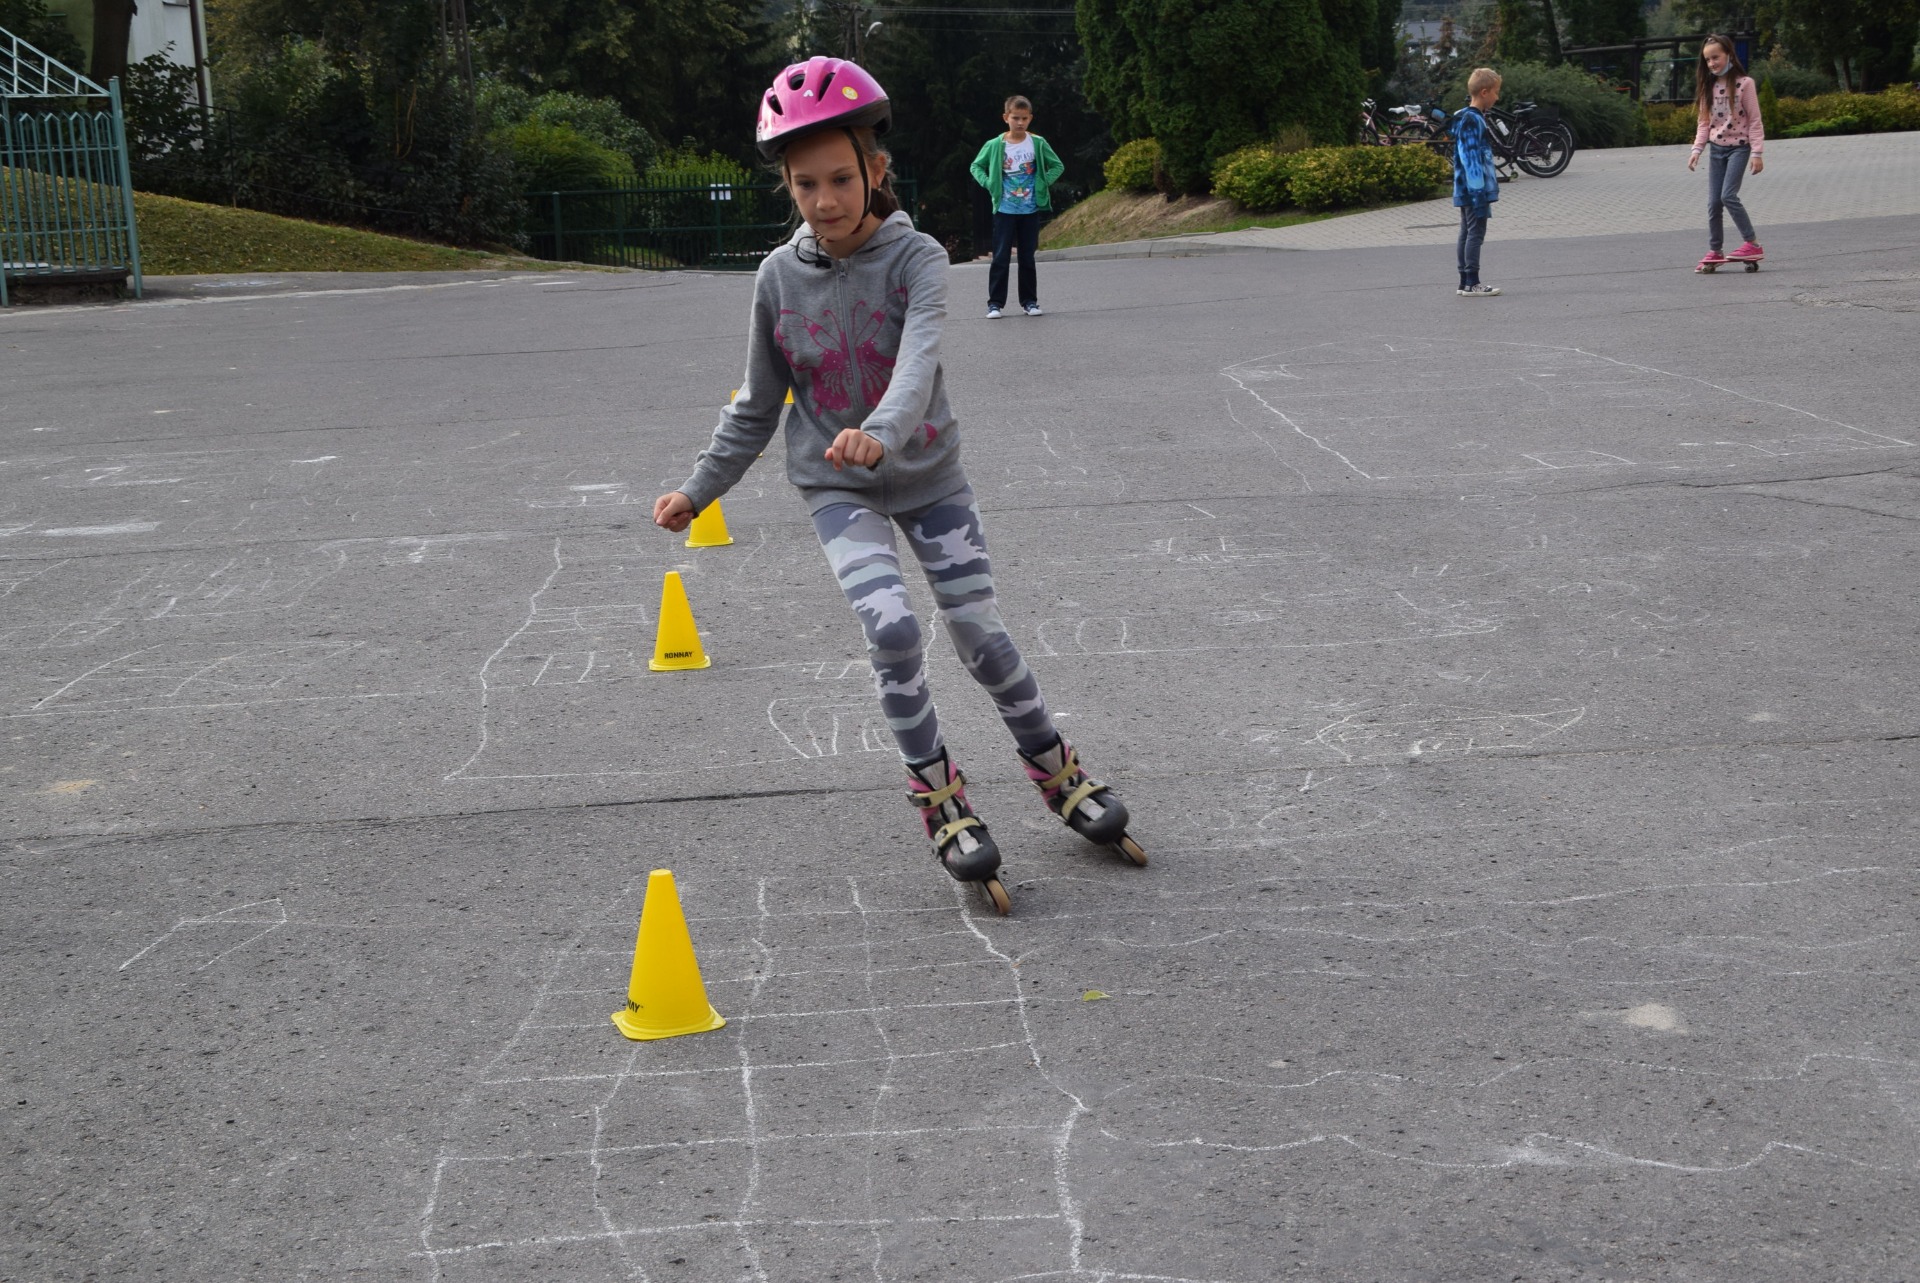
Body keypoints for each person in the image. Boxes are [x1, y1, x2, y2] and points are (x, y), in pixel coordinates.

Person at [653, 57, 1141, 913]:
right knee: (892, 629)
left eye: (841, 177)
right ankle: (940, 797)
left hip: (927, 475)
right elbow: (757, 406)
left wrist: (879, 434)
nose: (825, 199)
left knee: (980, 634)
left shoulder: (917, 256)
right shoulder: (776, 278)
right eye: (805, 184)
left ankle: (1054, 767)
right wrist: (700, 489)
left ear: (875, 170)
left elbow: (917, 366)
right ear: (787, 186)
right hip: (836, 489)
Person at [969, 94, 1065, 319]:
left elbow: (1057, 165)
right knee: (1001, 257)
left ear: (1030, 118)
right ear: (1006, 118)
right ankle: (995, 304)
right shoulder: (995, 145)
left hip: (1030, 209)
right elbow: (976, 166)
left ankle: (1029, 302)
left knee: (1027, 258)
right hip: (1004, 209)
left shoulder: (1037, 143)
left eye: (1024, 118)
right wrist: (990, 183)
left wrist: (1042, 183)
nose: (1020, 123)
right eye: (1015, 118)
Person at [1688, 35, 1765, 271]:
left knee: (1728, 196)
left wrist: (1757, 153)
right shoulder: (1707, 87)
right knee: (1713, 203)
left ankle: (1752, 243)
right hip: (1716, 150)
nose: (1712, 63)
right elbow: (1704, 123)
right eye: (1707, 59)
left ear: (1729, 55)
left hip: (1739, 149)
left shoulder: (1745, 84)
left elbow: (1754, 120)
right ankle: (1715, 250)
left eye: (1716, 57)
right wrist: (1696, 149)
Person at [1453, 68, 1502, 297]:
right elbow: (1470, 158)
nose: (1497, 97)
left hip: (1465, 187)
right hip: (1474, 188)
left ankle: (1465, 282)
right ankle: (1473, 282)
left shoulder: (1466, 116)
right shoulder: (1472, 120)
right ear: (1484, 92)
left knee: (1467, 231)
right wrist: (1478, 191)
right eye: (1495, 92)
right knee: (1475, 233)